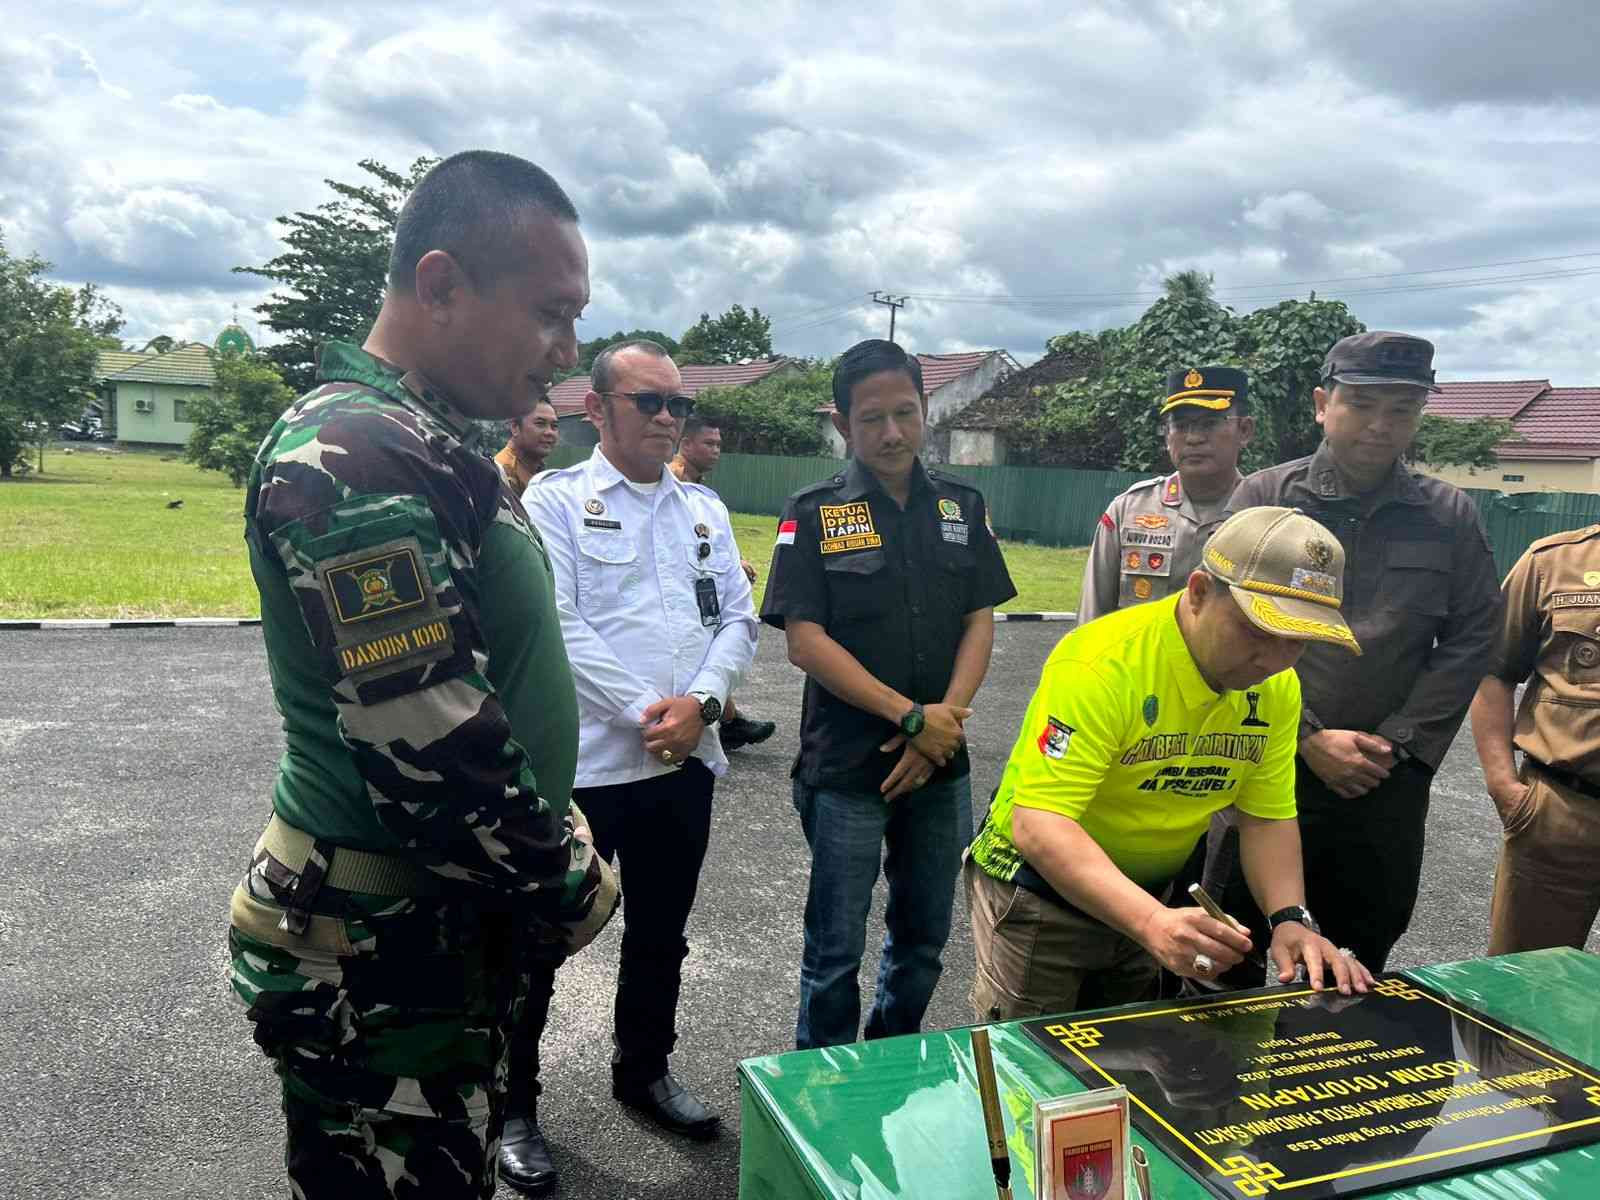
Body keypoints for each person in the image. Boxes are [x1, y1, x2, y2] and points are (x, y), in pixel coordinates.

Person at [225, 151, 618, 1200]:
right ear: (441, 284)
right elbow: (427, 743)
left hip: (415, 939)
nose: (566, 353)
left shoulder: (417, 442)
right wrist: (566, 879)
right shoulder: (355, 456)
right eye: (549, 313)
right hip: (374, 957)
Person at [966, 507, 1374, 1018]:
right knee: (1031, 1066)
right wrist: (1152, 923)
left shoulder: (1276, 688)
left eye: (1299, 641)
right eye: (1259, 631)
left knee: (1122, 1055)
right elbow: (1039, 822)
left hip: (1146, 896)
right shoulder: (1100, 663)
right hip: (1039, 894)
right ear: (1200, 591)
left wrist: (1290, 917)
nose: (1274, 661)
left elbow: (1266, 815)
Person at [512, 340, 757, 1183]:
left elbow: (737, 619)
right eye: (646, 402)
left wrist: (703, 708)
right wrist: (651, 714)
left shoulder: (703, 511)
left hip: (682, 766)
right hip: (584, 767)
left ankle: (642, 1072)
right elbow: (557, 620)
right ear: (598, 410)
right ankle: (515, 1105)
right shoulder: (557, 501)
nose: (665, 418)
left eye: (676, 405)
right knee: (540, 941)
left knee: (662, 936)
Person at [1215, 331, 1501, 972]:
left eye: (1401, 409)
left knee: (1357, 963)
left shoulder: (1448, 516)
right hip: (1264, 764)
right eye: (1362, 404)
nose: (1381, 424)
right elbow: (1224, 630)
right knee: (1227, 952)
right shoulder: (1266, 499)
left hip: (1383, 782)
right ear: (1323, 403)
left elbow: (1472, 638)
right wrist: (1307, 738)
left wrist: (1398, 745)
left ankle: (1326, 1077)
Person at [761, 338, 1017, 1050]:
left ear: (925, 408)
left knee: (924, 942)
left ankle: (885, 1061)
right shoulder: (811, 512)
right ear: (843, 423)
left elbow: (979, 619)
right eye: (872, 418)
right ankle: (822, 1093)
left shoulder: (962, 506)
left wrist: (942, 729)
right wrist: (909, 718)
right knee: (834, 954)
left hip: (941, 767)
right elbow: (804, 641)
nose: (893, 432)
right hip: (847, 770)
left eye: (906, 412)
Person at [1469, 522, 1600, 955]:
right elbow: (1494, 671)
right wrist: (1504, 787)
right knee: (1524, 988)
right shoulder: (1552, 562)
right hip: (1562, 816)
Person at [1078, 366, 1253, 624]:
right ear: (1166, 435)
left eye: (1210, 423)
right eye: (1181, 426)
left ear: (1245, 430)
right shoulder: (1128, 510)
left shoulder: (1262, 515)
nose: (1193, 438)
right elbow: (1092, 620)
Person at [670, 413, 778, 751]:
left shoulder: (699, 487)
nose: (716, 450)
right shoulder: (674, 483)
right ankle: (724, 721)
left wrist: (734, 562)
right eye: (709, 443)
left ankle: (727, 719)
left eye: (719, 444)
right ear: (686, 444)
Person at [495, 396, 560, 496]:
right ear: (515, 428)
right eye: (540, 424)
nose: (549, 432)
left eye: (554, 426)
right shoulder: (502, 472)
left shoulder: (537, 467)